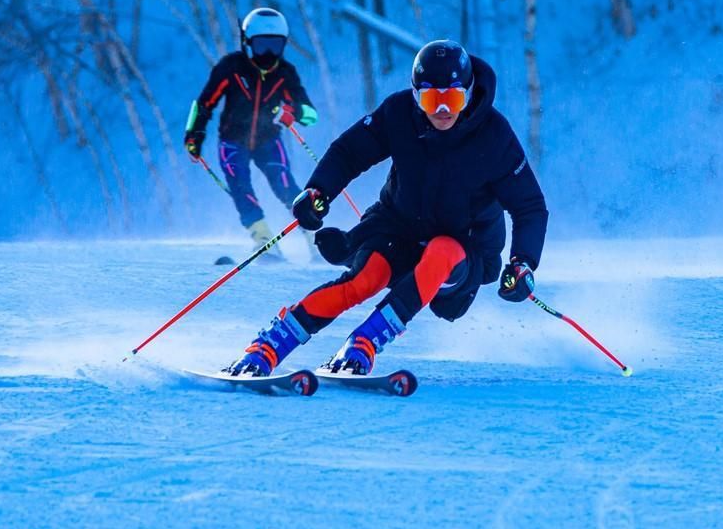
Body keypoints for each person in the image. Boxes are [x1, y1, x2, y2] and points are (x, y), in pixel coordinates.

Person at [224, 38, 547, 376]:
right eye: (430, 99)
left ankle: (364, 343)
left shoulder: (494, 136)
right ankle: (268, 347)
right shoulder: (399, 114)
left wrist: (523, 261)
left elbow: (530, 207)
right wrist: (319, 191)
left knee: (442, 251)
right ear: (415, 95)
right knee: (364, 279)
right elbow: (350, 151)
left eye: (451, 98)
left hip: (464, 250)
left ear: (467, 93)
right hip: (400, 228)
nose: (442, 111)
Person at [183, 8, 317, 250]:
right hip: (233, 141)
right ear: (247, 43)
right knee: (240, 184)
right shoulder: (231, 68)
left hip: (269, 140)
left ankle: (312, 235)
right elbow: (204, 104)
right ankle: (262, 236)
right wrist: (194, 134)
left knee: (284, 183)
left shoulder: (285, 73)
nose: (267, 54)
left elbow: (311, 115)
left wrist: (293, 112)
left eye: (274, 46)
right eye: (261, 46)